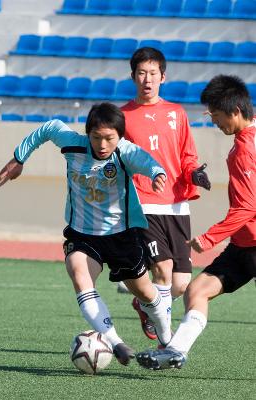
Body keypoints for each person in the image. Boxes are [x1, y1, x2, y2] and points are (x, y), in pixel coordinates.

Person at [0, 102, 173, 367]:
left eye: (109, 138)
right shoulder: (72, 144)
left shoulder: (124, 152)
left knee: (146, 292)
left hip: (122, 236)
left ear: (120, 136)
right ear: (87, 133)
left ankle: (166, 335)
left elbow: (147, 162)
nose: (102, 145)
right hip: (83, 234)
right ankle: (116, 343)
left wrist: (157, 173)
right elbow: (47, 128)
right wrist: (19, 158)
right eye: (96, 137)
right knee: (79, 273)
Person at [136, 74, 256, 369]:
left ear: (235, 112)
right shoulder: (245, 140)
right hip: (243, 245)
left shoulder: (244, 150)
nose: (215, 123)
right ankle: (175, 350)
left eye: (216, 116)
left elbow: (247, 206)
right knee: (197, 290)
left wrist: (208, 238)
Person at [119, 47, 211, 342]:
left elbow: (187, 154)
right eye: (142, 73)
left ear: (163, 77)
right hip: (143, 203)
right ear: (133, 76)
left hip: (178, 205)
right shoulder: (122, 116)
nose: (147, 79)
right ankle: (166, 340)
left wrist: (194, 172)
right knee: (163, 269)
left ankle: (145, 304)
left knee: (181, 283)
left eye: (153, 74)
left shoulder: (177, 113)